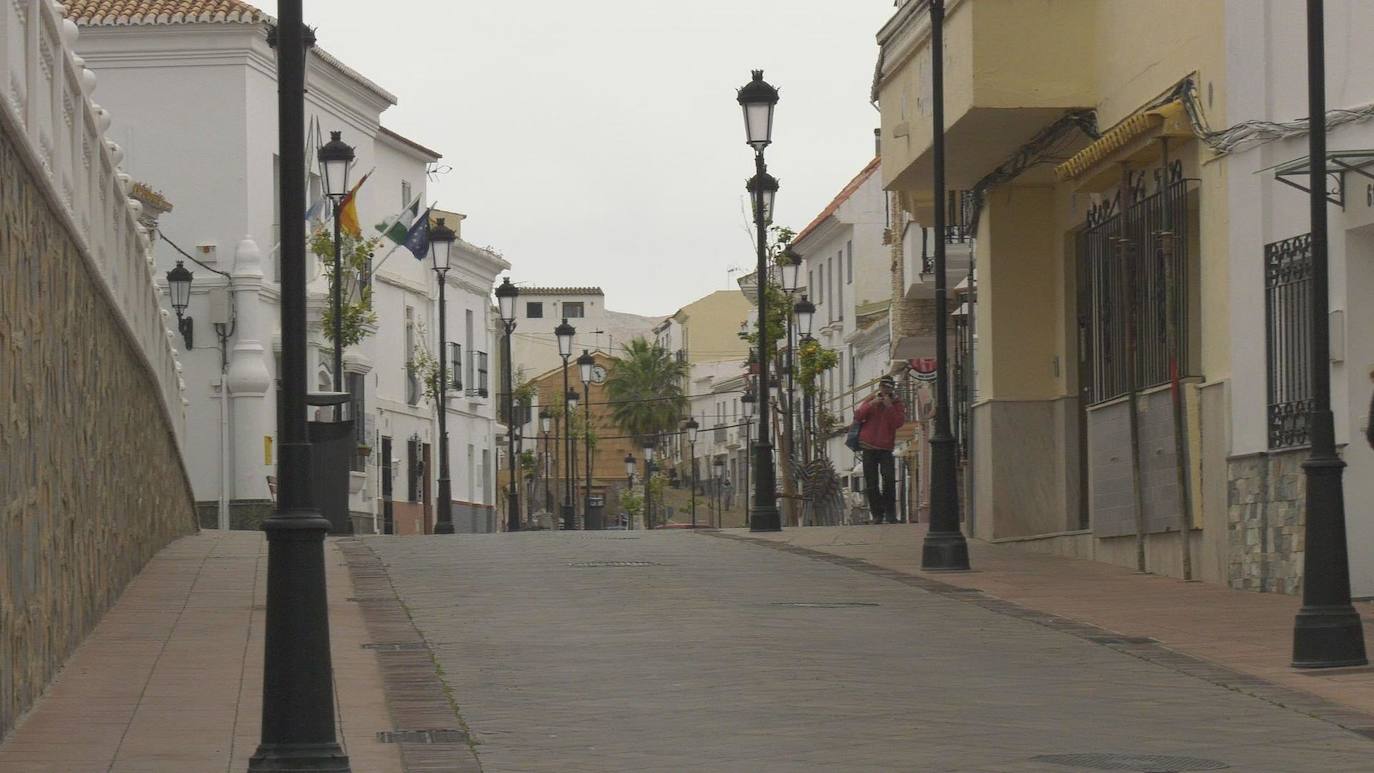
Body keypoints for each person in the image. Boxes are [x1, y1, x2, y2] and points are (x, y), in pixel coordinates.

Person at [853, 375, 906, 524]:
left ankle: (890, 513)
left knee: (889, 480)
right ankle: (877, 514)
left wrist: (889, 406)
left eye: (888, 388)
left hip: (885, 447)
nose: (884, 390)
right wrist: (872, 404)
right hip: (868, 446)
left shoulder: (897, 403)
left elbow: (898, 422)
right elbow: (858, 416)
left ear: (892, 389)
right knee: (871, 482)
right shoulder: (871, 399)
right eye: (883, 387)